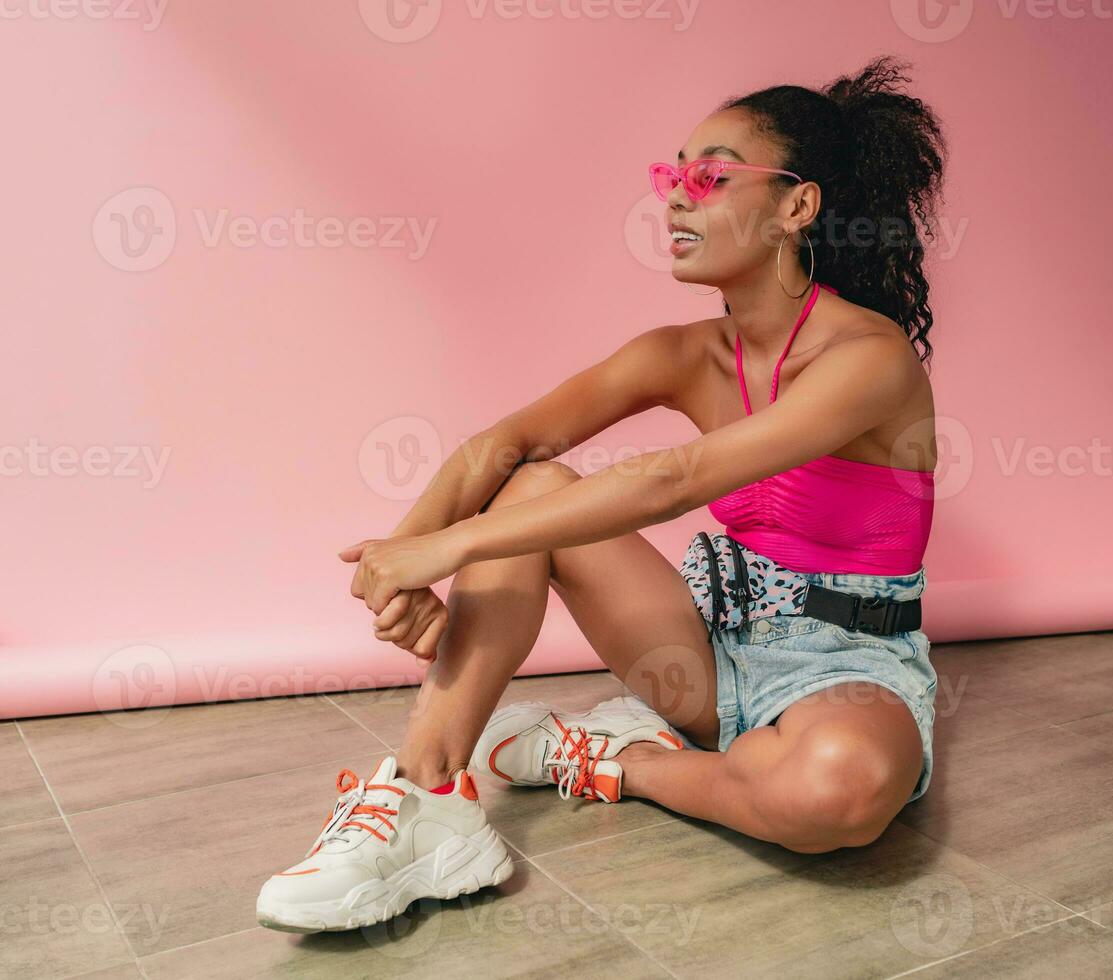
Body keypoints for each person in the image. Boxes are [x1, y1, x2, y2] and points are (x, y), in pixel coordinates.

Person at [256, 55, 946, 934]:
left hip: (846, 664)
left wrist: (454, 549)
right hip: (700, 650)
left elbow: (678, 477)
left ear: (796, 206)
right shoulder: (678, 353)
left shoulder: (870, 358)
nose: (676, 197)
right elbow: (504, 446)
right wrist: (398, 564)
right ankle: (427, 799)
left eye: (711, 175)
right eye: (673, 174)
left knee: (837, 795)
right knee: (533, 484)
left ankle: (609, 757)